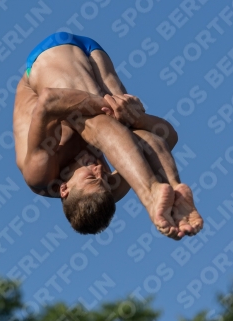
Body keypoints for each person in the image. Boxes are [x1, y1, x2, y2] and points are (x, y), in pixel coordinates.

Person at [13, 32, 203, 240]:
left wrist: (108, 106)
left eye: (91, 177)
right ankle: (174, 193)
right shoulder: (108, 190)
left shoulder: (40, 175)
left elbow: (49, 101)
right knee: (136, 137)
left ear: (64, 189)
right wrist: (134, 118)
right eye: (104, 177)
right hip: (95, 54)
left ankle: (150, 195)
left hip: (49, 55)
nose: (100, 169)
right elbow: (166, 137)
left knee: (93, 121)